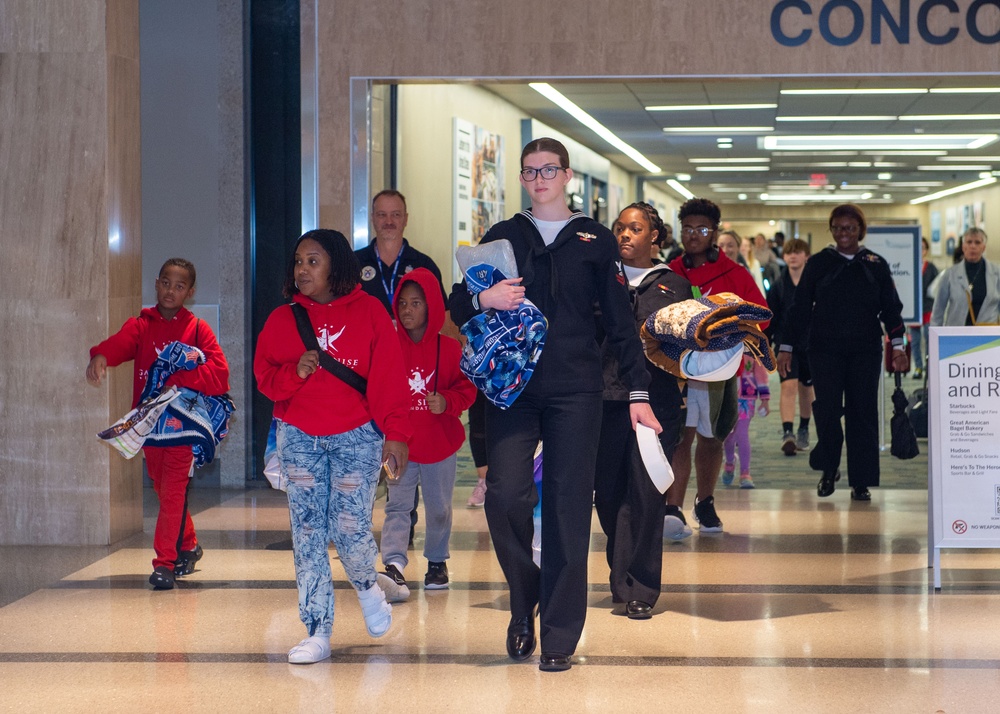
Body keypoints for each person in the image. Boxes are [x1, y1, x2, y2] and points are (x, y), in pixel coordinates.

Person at [449, 137, 660, 672]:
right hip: (514, 389)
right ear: (521, 179)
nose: (539, 178)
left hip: (576, 389)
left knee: (568, 509)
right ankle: (525, 604)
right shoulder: (503, 236)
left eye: (549, 170)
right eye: (530, 171)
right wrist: (482, 298)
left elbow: (619, 323)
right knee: (504, 497)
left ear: (566, 176)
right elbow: (458, 299)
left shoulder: (594, 239)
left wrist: (637, 393)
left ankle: (559, 636)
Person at [254, 229, 412, 665]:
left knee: (349, 526)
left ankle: (367, 589)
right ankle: (317, 630)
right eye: (299, 261)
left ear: (336, 266)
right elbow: (265, 378)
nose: (302, 269)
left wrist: (396, 434)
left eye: (313, 261)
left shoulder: (371, 313)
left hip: (357, 435)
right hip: (300, 436)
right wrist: (295, 373)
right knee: (307, 534)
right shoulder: (282, 319)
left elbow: (389, 379)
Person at [86, 258, 230, 590]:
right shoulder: (142, 324)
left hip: (183, 426)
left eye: (179, 286)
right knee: (164, 490)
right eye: (166, 282)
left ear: (190, 292)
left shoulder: (197, 329)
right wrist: (101, 355)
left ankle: (164, 563)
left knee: (174, 491)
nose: (171, 290)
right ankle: (189, 544)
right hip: (149, 425)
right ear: (156, 283)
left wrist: (176, 376)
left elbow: (220, 375)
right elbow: (121, 343)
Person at [596, 202, 692, 618]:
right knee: (608, 493)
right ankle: (620, 576)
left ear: (654, 235)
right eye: (619, 228)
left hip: (657, 402)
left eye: (635, 228)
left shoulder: (674, 285)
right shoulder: (600, 278)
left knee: (646, 491)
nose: (625, 235)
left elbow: (685, 346)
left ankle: (642, 586)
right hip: (603, 399)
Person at [777, 205, 907, 502]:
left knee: (862, 413)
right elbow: (799, 308)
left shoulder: (875, 264)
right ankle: (828, 469)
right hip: (825, 349)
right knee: (828, 411)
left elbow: (891, 307)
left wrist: (897, 345)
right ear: (831, 230)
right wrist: (786, 347)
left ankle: (861, 481)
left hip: (866, 350)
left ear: (860, 230)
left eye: (849, 228)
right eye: (837, 227)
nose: (843, 233)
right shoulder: (819, 263)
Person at [667, 198, 768, 534]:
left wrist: (728, 332)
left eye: (702, 229)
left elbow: (760, 315)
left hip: (720, 371)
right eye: (688, 229)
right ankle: (673, 509)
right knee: (680, 437)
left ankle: (705, 502)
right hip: (678, 371)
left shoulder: (734, 273)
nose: (694, 235)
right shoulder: (670, 272)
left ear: (714, 233)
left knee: (712, 438)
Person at [356, 190, 451, 542]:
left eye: (396, 214)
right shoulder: (354, 265)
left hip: (413, 373)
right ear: (373, 219)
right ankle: (360, 529)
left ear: (406, 217)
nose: (389, 221)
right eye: (382, 215)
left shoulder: (423, 265)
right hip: (367, 372)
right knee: (367, 449)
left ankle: (403, 525)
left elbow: (442, 321)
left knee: (405, 445)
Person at [380, 268, 476, 599]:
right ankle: (393, 564)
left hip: (439, 445)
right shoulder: (387, 347)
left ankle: (437, 561)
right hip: (399, 443)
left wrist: (447, 401)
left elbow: (467, 391)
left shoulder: (449, 349)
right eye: (402, 303)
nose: (407, 310)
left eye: (416, 303)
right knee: (397, 505)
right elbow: (376, 390)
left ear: (431, 306)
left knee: (439, 508)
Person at [766, 238, 815, 455]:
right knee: (788, 386)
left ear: (806, 256)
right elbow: (770, 317)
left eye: (798, 252)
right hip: (785, 345)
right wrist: (765, 342)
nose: (793, 256)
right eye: (789, 253)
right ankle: (788, 432)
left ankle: (803, 428)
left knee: (806, 389)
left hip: (812, 344)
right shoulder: (779, 285)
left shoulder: (815, 283)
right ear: (784, 257)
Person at [931, 228, 999, 328]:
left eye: (977, 242)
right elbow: (938, 310)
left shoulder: (997, 273)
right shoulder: (950, 274)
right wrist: (934, 337)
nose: (973, 246)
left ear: (983, 248)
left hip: (988, 337)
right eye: (969, 242)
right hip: (957, 335)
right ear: (963, 247)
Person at [721, 353, 770, 489]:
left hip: (746, 397)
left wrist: (765, 399)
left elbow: (761, 373)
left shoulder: (752, 347)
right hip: (726, 395)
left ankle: (745, 473)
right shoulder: (725, 342)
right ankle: (730, 462)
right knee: (728, 436)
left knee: (741, 434)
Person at [909, 238, 939, 378]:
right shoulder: (908, 266)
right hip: (913, 308)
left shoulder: (931, 267)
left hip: (927, 307)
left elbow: (938, 286)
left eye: (922, 248)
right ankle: (918, 367)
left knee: (928, 336)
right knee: (914, 340)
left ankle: (929, 366)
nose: (920, 250)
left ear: (926, 251)